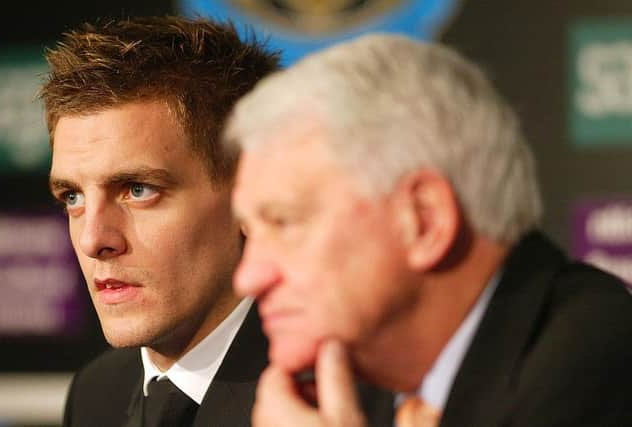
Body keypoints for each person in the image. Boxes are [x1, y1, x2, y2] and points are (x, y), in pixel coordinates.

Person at [224, 34, 632, 427]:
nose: (248, 278)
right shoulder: (356, 388)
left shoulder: (595, 365)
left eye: (283, 222)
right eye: (252, 229)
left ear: (424, 219)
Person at [39, 16, 280, 427]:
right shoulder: (97, 395)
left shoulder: (334, 394)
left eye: (137, 190)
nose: (93, 240)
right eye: (73, 197)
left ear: (249, 196)